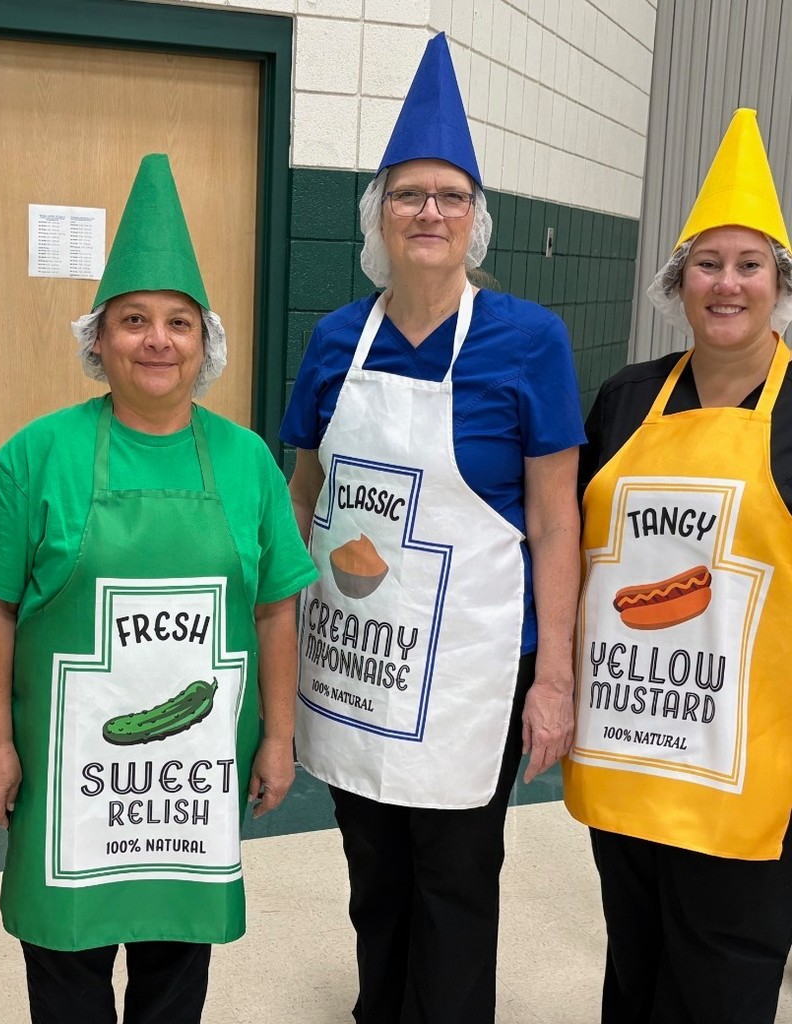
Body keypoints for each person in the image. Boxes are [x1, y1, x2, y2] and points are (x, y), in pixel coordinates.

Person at [0, 153, 317, 1024]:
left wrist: (279, 736)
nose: (158, 340)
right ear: (98, 341)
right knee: (65, 966)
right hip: (65, 771)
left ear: (205, 343)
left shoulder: (247, 462)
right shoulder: (33, 457)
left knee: (174, 965)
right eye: (133, 321)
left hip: (189, 778)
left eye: (178, 323)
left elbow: (276, 608)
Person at [280, 33, 585, 1024]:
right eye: (408, 194)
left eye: (450, 197)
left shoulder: (528, 340)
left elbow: (556, 520)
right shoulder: (337, 338)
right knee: (373, 867)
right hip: (359, 657)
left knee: (455, 877)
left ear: (475, 219)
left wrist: (553, 677)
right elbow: (301, 497)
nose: (429, 212)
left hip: (472, 670)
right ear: (378, 212)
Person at [563, 108, 792, 1024]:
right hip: (630, 746)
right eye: (708, 264)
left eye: (749, 265)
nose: (727, 283)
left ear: (778, 284)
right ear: (678, 282)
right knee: (636, 963)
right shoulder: (627, 398)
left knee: (723, 980)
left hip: (748, 766)